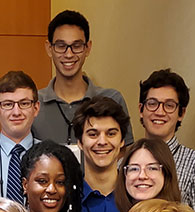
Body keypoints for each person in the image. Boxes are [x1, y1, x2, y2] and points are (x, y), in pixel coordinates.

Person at [32, 10, 133, 148]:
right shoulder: (33, 105)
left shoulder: (112, 99)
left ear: (88, 48)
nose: (69, 54)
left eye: (76, 46)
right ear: (49, 48)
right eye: (61, 46)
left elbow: (124, 154)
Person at [138, 68, 195, 212]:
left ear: (181, 113)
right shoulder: (125, 163)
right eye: (152, 103)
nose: (160, 112)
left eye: (169, 105)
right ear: (141, 110)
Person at [0, 71, 41, 203]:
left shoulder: (50, 156)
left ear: (36, 108)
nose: (16, 112)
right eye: (8, 104)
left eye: (24, 103)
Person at [72, 96, 130, 212]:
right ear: (80, 142)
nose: (102, 141)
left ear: (122, 140)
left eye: (111, 133)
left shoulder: (136, 196)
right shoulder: (67, 199)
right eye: (93, 134)